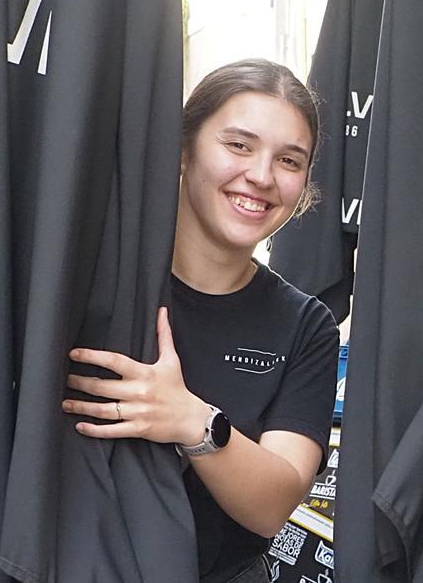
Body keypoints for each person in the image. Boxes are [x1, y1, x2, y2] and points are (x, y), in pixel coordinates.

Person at [61, 59, 339, 583]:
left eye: (289, 160)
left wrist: (192, 420)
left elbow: (273, 503)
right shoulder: (97, 283)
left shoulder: (307, 325)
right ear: (183, 148)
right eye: (238, 145)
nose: (260, 176)